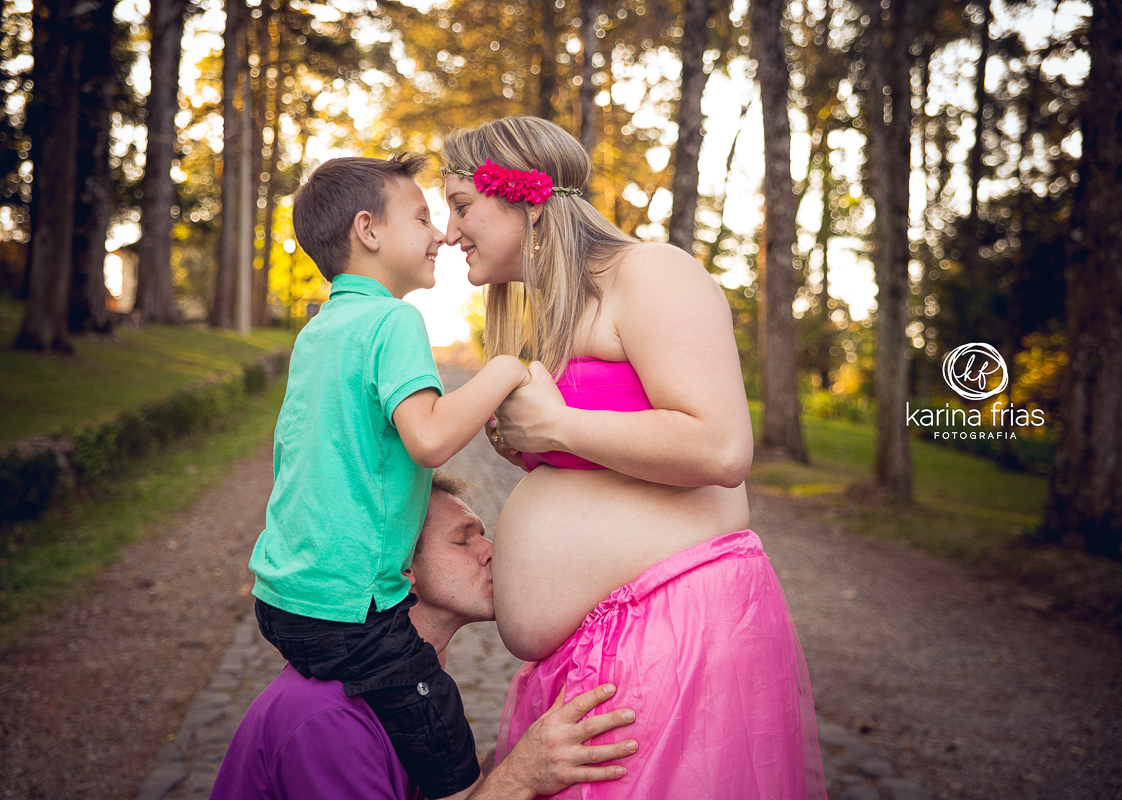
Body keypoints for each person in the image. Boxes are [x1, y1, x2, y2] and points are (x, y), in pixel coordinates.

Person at [441, 116, 827, 799]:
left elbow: (721, 447)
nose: (449, 232)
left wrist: (558, 426)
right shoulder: (554, 317)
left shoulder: (650, 271)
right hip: (595, 648)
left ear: (520, 197)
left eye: (460, 206)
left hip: (672, 634)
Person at [247, 154, 534, 800]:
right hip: (348, 609)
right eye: (424, 217)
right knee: (445, 744)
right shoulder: (393, 321)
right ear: (368, 231)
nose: (441, 235)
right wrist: (506, 371)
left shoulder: (320, 331)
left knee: (382, 714)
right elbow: (429, 437)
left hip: (282, 598)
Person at [213, 474, 639, 800]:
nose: (492, 549)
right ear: (402, 572)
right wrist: (519, 775)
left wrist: (517, 752)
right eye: (464, 539)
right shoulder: (327, 718)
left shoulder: (415, 691)